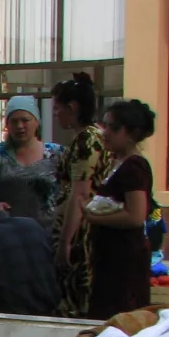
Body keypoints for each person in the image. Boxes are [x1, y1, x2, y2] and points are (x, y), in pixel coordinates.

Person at [85, 99, 157, 319]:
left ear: (132, 133)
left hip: (124, 260)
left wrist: (92, 218)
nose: (105, 133)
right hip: (110, 256)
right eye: (104, 125)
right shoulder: (117, 162)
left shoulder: (134, 166)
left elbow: (135, 216)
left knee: (121, 319)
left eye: (114, 128)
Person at [50, 73, 110, 317]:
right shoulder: (98, 136)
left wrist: (65, 242)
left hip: (80, 233)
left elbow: (79, 194)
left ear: (72, 108)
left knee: (74, 302)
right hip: (86, 226)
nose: (55, 114)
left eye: (57, 108)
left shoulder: (85, 142)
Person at [0, 96, 63, 230]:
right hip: (7, 233)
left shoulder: (56, 154)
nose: (19, 126)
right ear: (7, 125)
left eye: (25, 120)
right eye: (14, 121)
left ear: (36, 122)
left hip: (47, 233)